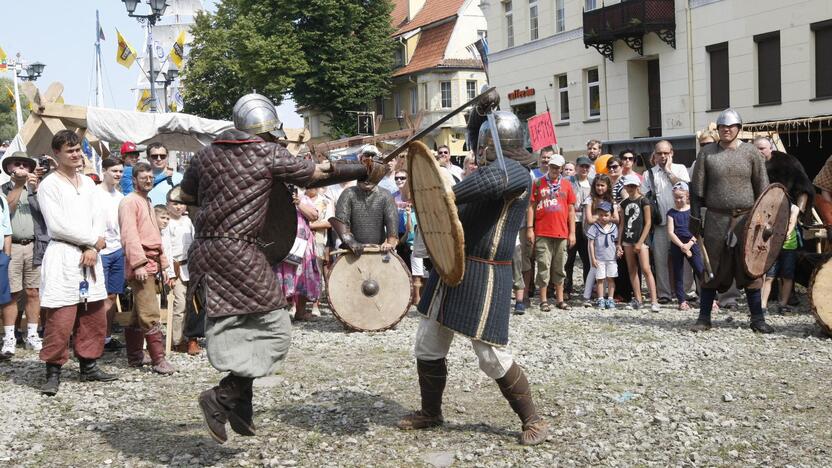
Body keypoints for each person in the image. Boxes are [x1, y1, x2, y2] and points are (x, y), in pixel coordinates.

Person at [179, 93, 373, 443]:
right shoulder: (267, 153)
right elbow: (315, 175)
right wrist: (364, 167)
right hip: (239, 252)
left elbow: (185, 197)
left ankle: (241, 409)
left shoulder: (203, 156)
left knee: (243, 324)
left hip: (204, 251)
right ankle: (222, 396)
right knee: (275, 327)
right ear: (268, 130)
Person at [397, 99, 548, 446]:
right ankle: (431, 412)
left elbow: (494, 180)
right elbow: (476, 152)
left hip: (485, 276)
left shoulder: (516, 174)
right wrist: (481, 111)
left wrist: (443, 193)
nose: (479, 151)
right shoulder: (488, 168)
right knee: (428, 342)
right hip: (453, 266)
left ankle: (533, 420)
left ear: (498, 146)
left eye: (484, 145)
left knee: (491, 355)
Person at [37, 130, 118, 395]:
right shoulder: (49, 184)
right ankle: (53, 369)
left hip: (90, 255)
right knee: (61, 316)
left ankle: (89, 365)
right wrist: (90, 242)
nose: (75, 154)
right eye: (69, 150)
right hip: (64, 254)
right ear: (57, 153)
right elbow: (57, 225)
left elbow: (99, 217)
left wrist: (94, 245)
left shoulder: (89, 184)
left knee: (93, 313)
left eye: (77, 149)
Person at [689, 108, 774, 333]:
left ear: (739, 129)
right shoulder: (707, 154)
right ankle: (704, 317)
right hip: (716, 218)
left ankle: (757, 318)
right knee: (711, 267)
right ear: (717, 130)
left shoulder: (751, 153)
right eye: (722, 127)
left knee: (751, 267)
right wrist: (695, 218)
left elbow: (764, 191)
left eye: (731, 127)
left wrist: (766, 220)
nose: (726, 130)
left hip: (747, 219)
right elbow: (696, 191)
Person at [119, 162, 176, 374]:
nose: (148, 180)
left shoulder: (148, 202)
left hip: (151, 261)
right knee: (150, 312)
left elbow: (155, 237)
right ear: (134, 179)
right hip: (141, 263)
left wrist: (163, 264)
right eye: (144, 178)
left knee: (138, 313)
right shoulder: (129, 202)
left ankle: (134, 356)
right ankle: (158, 360)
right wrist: (139, 264)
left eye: (151, 177)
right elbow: (129, 234)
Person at [1, 152, 48, 355]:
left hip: (34, 245)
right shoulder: (3, 190)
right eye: (17, 164)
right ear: (10, 168)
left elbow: (46, 212)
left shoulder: (39, 188)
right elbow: (7, 211)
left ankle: (32, 334)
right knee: (11, 293)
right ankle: (9, 337)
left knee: (33, 291)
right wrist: (19, 186)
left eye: (25, 165)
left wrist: (35, 189)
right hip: (12, 246)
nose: (21, 168)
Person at [641, 140, 690, 304]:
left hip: (681, 221)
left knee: (685, 257)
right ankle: (664, 293)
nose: (662, 156)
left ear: (672, 153)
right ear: (654, 155)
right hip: (660, 223)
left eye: (666, 153)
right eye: (659, 153)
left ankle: (687, 291)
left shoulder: (680, 168)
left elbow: (684, 188)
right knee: (661, 259)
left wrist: (668, 171)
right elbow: (644, 197)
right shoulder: (649, 174)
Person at [528, 154, 576, 311]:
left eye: (557, 167)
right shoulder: (538, 183)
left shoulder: (567, 185)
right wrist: (530, 228)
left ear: (562, 169)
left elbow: (571, 210)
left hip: (561, 232)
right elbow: (531, 206)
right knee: (543, 265)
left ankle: (560, 299)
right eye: (552, 166)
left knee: (559, 267)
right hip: (542, 231)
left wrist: (572, 233)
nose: (554, 170)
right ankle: (543, 300)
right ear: (548, 166)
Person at [331, 147, 399, 256]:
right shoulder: (348, 194)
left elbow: (392, 229)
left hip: (379, 250)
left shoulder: (385, 195)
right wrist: (350, 242)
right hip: (352, 251)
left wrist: (390, 243)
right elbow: (342, 224)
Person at [274, 190, 321, 322]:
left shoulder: (304, 198)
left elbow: (314, 216)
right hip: (283, 243)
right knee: (282, 277)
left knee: (303, 278)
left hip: (302, 244)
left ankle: (300, 312)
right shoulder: (276, 198)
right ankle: (280, 315)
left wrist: (298, 203)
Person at [96, 158, 126, 352]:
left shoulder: (121, 196)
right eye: (114, 171)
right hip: (99, 250)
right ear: (104, 171)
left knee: (112, 295)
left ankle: (106, 337)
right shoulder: (94, 194)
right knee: (95, 296)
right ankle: (92, 337)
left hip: (117, 249)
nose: (117, 174)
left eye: (121, 171)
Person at [618, 175, 659, 311]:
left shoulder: (644, 201)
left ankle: (654, 301)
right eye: (628, 186)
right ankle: (638, 299)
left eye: (633, 186)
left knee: (646, 269)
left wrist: (640, 242)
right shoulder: (623, 204)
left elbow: (648, 223)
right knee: (632, 269)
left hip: (641, 240)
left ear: (638, 186)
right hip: (627, 239)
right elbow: (622, 224)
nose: (630, 188)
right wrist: (619, 243)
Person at [164, 196, 197, 353]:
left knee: (193, 304)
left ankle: (190, 336)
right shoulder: (167, 223)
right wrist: (170, 273)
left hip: (190, 266)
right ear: (168, 205)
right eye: (175, 204)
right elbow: (167, 249)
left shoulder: (188, 221)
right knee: (180, 304)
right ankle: (176, 339)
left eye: (181, 203)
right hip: (176, 267)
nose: (178, 207)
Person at [581, 174, 619, 305]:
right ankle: (587, 296)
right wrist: (604, 216)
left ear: (608, 186)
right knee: (594, 267)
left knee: (608, 270)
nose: (600, 188)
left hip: (607, 238)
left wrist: (599, 216)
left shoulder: (611, 201)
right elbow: (589, 219)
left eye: (603, 185)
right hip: (593, 238)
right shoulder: (590, 199)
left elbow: (617, 219)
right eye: (597, 185)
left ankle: (606, 297)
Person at [666, 182, 704, 311]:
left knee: (700, 270)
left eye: (681, 197)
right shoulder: (671, 213)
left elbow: (697, 230)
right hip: (677, 244)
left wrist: (689, 244)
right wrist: (682, 245)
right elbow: (671, 232)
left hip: (691, 243)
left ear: (687, 196)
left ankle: (710, 299)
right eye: (676, 197)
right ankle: (681, 300)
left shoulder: (692, 211)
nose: (678, 200)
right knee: (678, 272)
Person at [761, 204, 801, 315]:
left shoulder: (794, 208)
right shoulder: (772, 206)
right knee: (769, 276)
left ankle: (783, 304)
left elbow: (792, 222)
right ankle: (762, 305)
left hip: (789, 247)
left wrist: (786, 233)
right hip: (773, 246)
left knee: (787, 276)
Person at [564, 156, 593, 298]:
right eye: (582, 166)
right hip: (571, 221)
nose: (584, 169)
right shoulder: (568, 181)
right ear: (577, 167)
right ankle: (566, 288)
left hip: (587, 224)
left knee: (587, 258)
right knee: (568, 258)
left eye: (587, 166)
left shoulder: (593, 183)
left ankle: (588, 289)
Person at [303, 187, 333, 317]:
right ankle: (297, 305)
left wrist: (308, 225)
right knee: (299, 272)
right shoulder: (299, 199)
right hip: (299, 239)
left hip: (318, 240)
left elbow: (329, 222)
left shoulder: (325, 201)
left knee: (317, 271)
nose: (311, 188)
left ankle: (316, 304)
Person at [586, 201, 619, 309]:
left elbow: (616, 242)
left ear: (611, 215)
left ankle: (610, 298)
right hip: (599, 258)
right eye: (601, 215)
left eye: (606, 215)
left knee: (611, 278)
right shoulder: (595, 227)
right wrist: (593, 258)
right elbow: (591, 244)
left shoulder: (614, 228)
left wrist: (619, 250)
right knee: (600, 279)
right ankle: (600, 299)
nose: (603, 218)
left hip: (611, 259)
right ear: (597, 215)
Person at [0, 188, 12, 358]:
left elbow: (7, 229)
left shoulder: (1, 199)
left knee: (1, 301)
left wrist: (6, 256)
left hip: (0, 256)